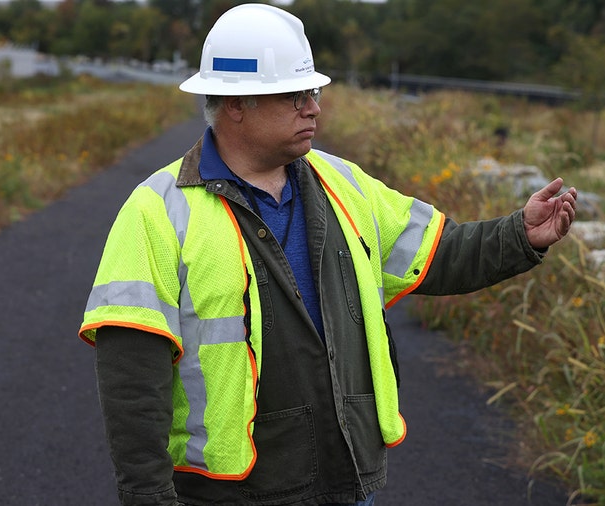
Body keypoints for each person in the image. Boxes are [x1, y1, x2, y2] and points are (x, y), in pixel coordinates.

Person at [78, 4, 578, 505]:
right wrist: (148, 497)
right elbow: (132, 379)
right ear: (236, 104)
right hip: (228, 494)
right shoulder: (157, 211)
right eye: (294, 95)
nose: (313, 107)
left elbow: (437, 253)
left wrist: (520, 235)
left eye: (312, 92)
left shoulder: (343, 183)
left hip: (345, 481)